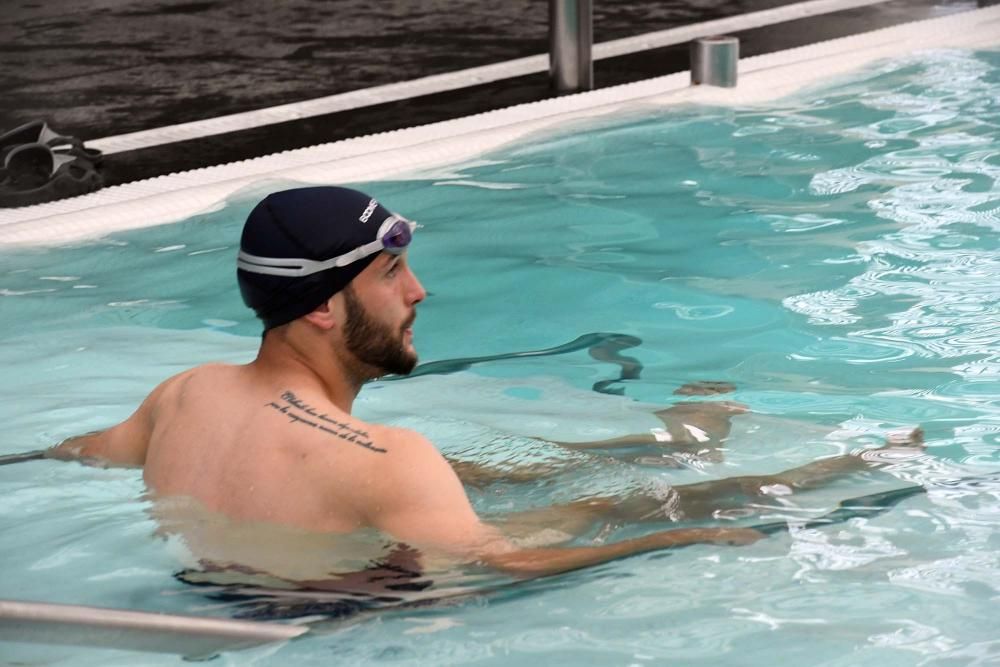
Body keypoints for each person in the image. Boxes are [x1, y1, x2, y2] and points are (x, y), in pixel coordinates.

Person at [47, 186, 921, 580]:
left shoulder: (183, 395)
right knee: (644, 506)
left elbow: (73, 454)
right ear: (320, 307)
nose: (419, 292)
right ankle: (858, 463)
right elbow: (514, 565)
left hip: (239, 581)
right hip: (356, 605)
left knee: (516, 476)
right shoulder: (388, 457)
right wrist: (680, 546)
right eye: (391, 276)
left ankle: (680, 435)